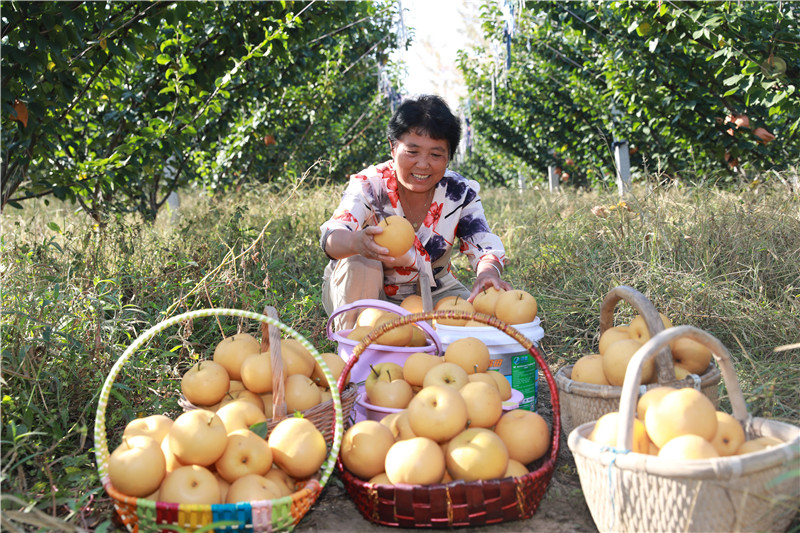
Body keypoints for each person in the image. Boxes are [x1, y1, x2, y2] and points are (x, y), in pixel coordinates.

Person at [320, 94, 512, 330]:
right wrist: (356, 242)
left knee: (487, 319)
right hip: (368, 294)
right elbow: (332, 235)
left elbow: (483, 243)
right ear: (393, 147)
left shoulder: (459, 192)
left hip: (434, 290)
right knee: (359, 261)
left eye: (436, 154)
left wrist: (487, 273)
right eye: (412, 152)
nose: (423, 164)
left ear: (449, 156)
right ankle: (356, 348)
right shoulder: (369, 185)